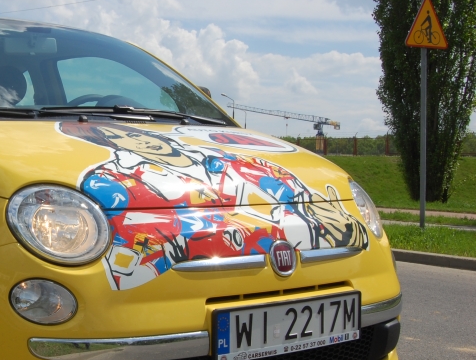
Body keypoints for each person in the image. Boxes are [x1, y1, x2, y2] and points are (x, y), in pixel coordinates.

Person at [59, 122, 368, 290]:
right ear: (108, 144)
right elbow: (126, 267)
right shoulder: (111, 183)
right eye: (116, 136)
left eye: (133, 131)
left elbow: (280, 183)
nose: (138, 138)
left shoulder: (226, 160)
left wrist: (324, 222)